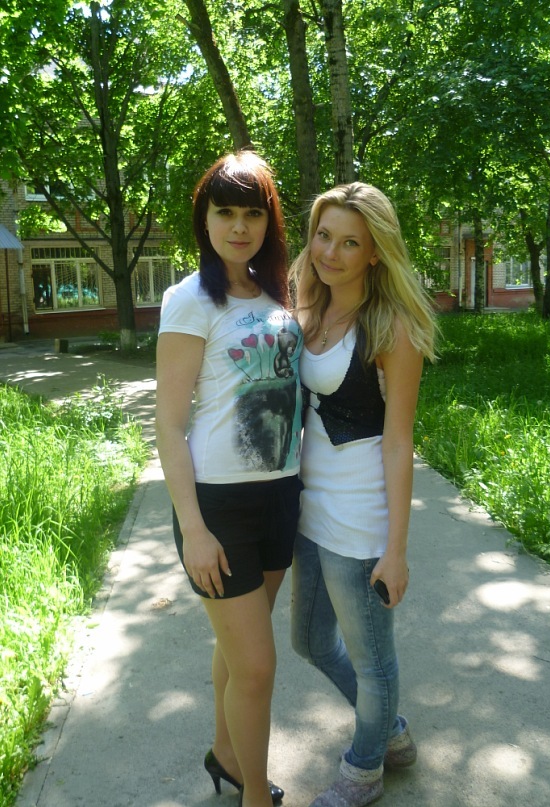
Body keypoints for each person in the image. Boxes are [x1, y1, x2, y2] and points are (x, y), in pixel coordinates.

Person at [155, 151, 303, 807]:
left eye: (252, 213)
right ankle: (254, 797)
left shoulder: (280, 295)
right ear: (205, 219)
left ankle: (225, 752)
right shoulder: (190, 300)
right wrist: (193, 529)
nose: (239, 227)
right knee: (258, 667)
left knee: (238, 651)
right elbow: (168, 424)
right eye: (225, 212)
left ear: (269, 221)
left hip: (281, 497)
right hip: (219, 508)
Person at [289, 182, 436, 807]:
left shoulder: (390, 327)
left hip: (360, 514)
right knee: (308, 642)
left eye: (350, 243)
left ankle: (365, 769)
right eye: (324, 235)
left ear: (375, 252)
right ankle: (390, 730)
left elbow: (399, 441)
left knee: (373, 659)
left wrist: (395, 550)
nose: (331, 252)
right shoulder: (309, 308)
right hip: (309, 507)